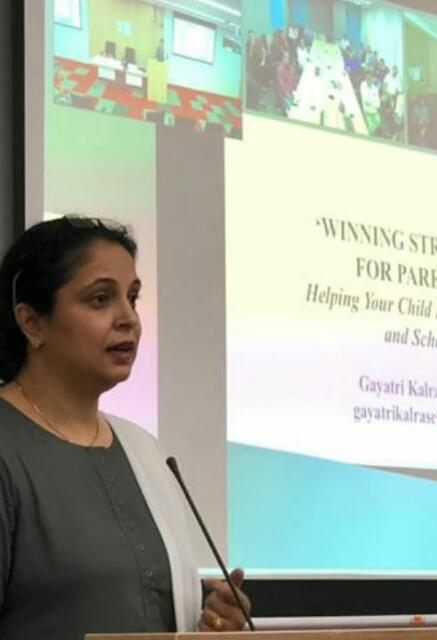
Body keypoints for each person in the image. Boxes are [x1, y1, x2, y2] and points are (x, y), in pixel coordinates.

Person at [0, 217, 251, 640]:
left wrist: (208, 628)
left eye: (132, 298)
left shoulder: (142, 450)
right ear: (32, 323)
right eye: (100, 299)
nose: (129, 319)